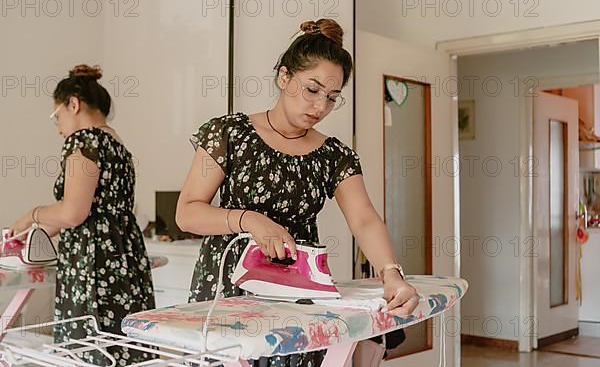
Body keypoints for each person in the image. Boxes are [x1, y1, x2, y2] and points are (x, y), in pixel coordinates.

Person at [176, 19, 418, 366]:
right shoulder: (227, 134)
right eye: (312, 90)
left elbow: (364, 219)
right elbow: (187, 213)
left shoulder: (334, 154)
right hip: (227, 290)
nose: (320, 106)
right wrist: (250, 221)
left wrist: (392, 275)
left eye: (332, 97)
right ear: (284, 76)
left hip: (296, 294)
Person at [7, 64, 155, 364]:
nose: (58, 126)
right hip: (124, 257)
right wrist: (40, 232)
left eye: (57, 116)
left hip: (93, 262)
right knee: (122, 344)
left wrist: (30, 216)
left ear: (73, 104)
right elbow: (94, 211)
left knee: (91, 347)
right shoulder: (117, 145)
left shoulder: (83, 141)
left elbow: (74, 212)